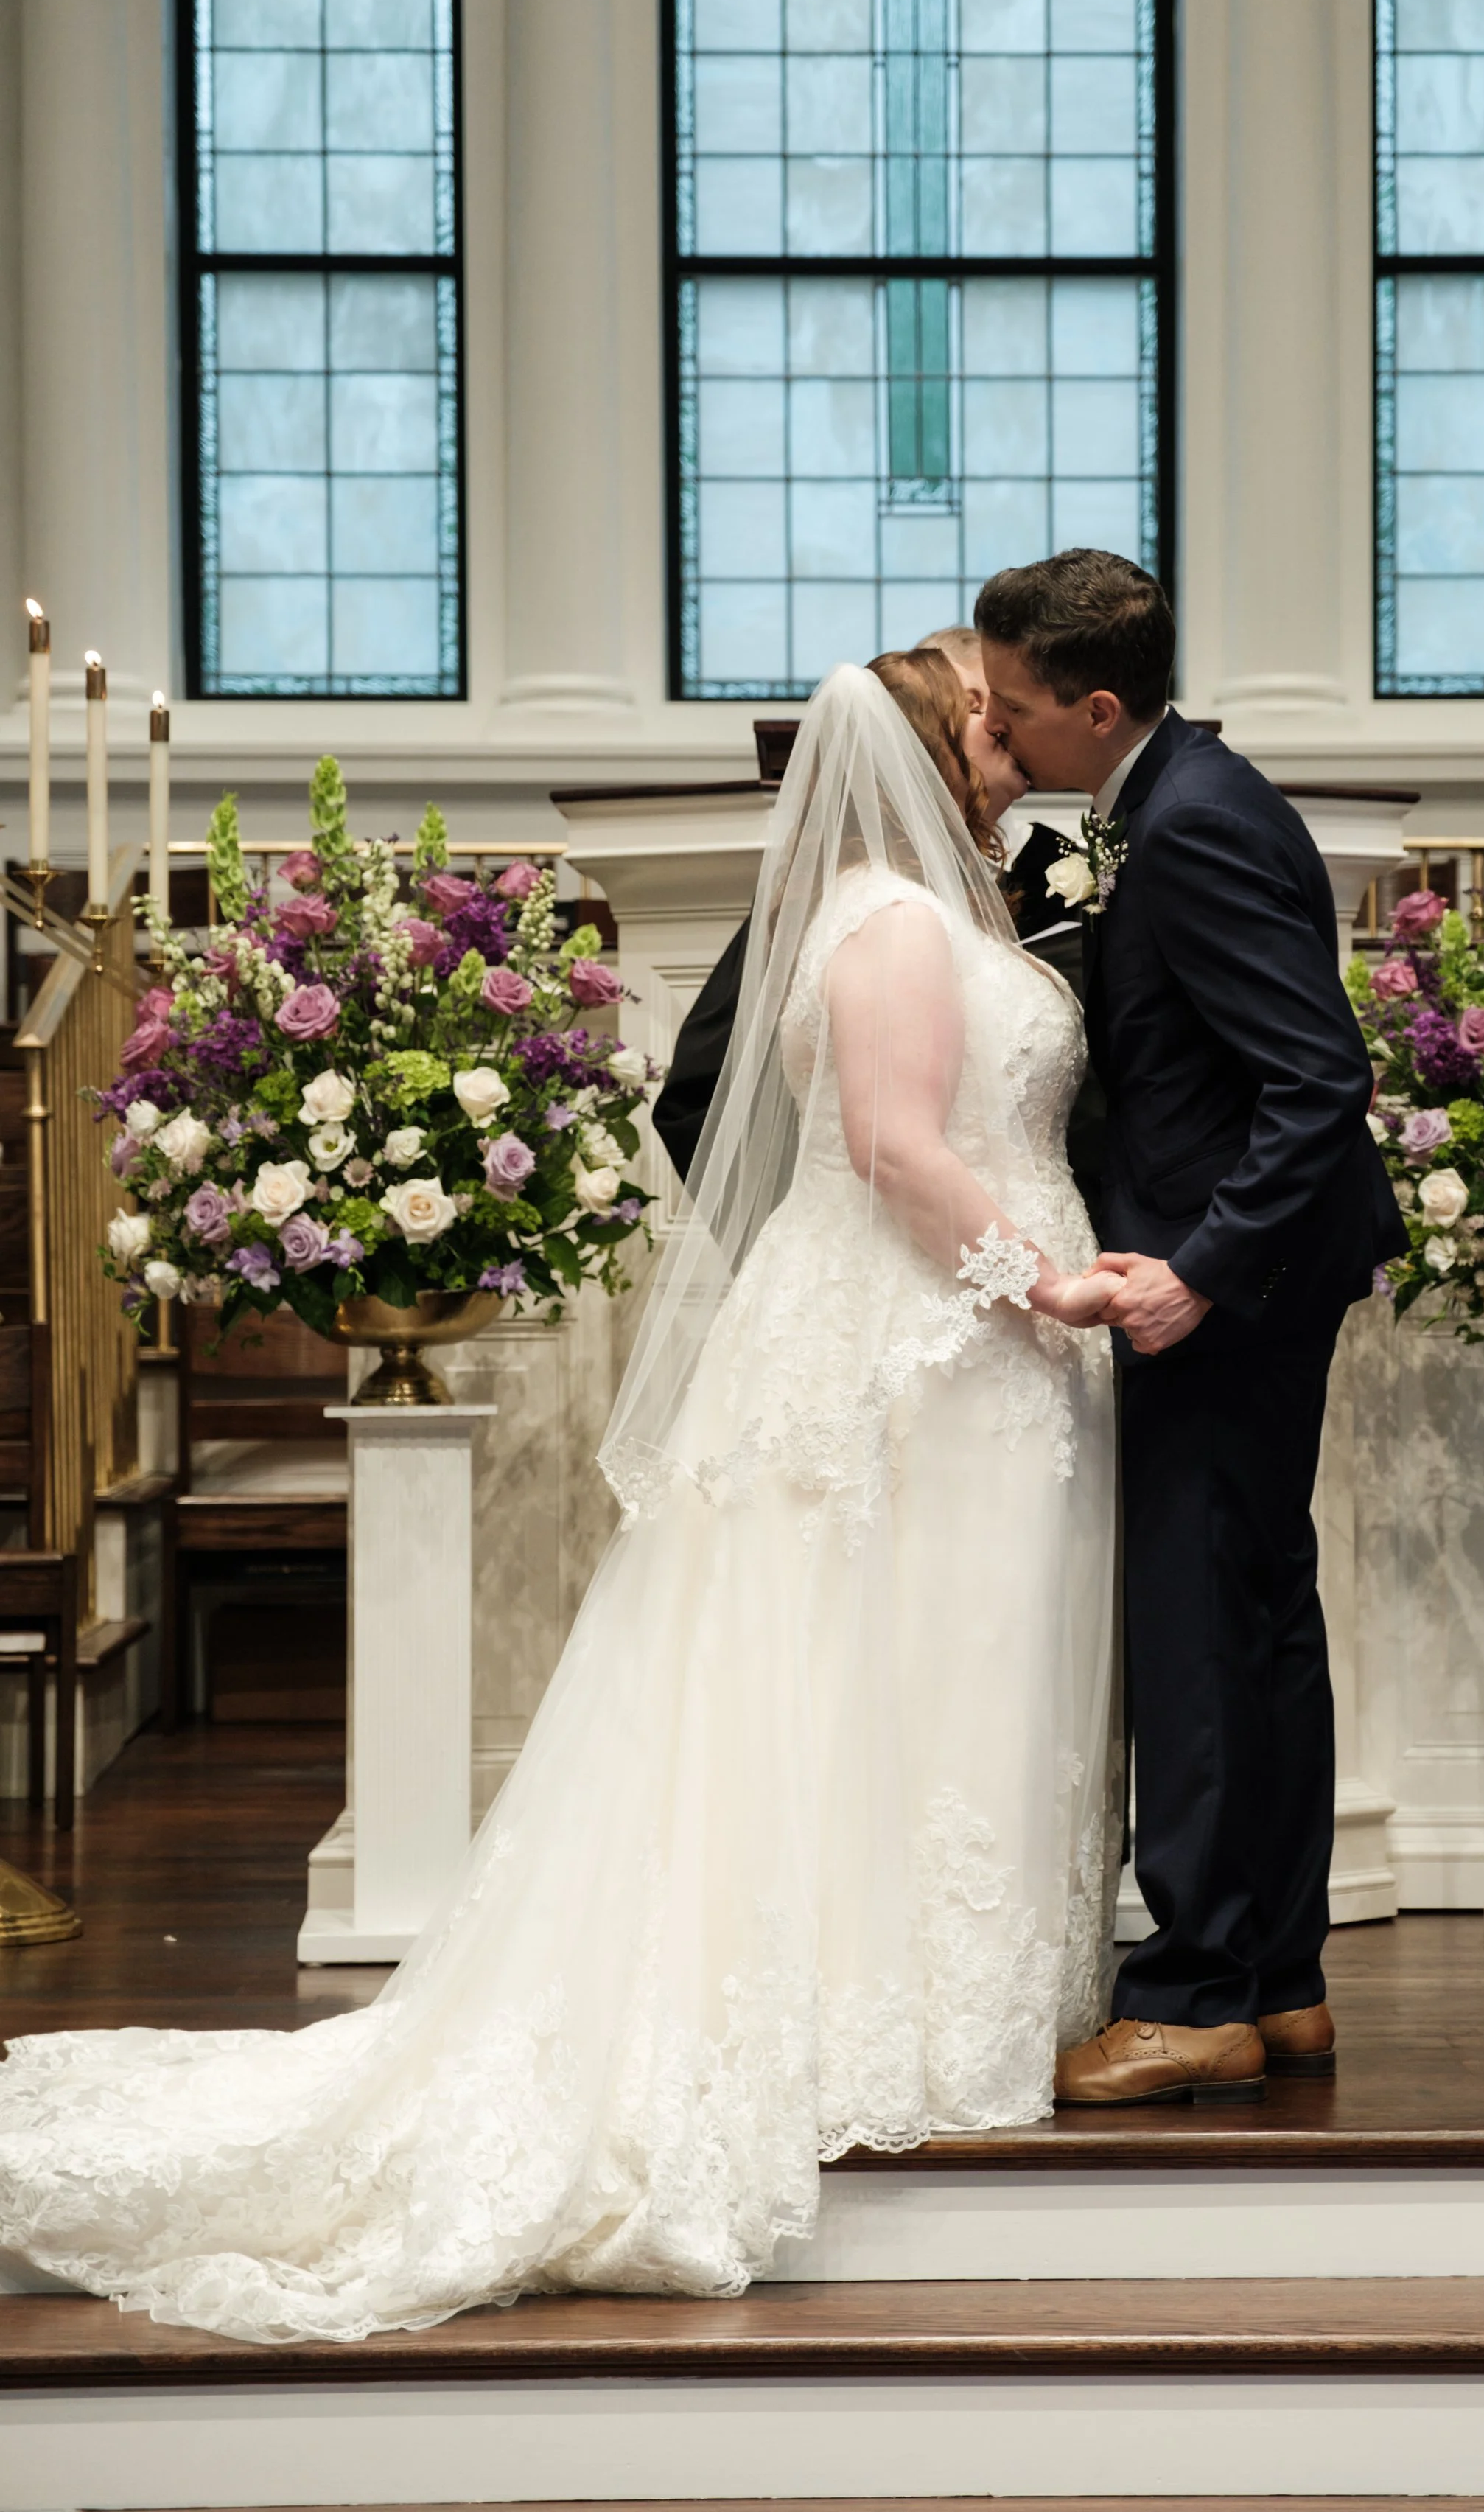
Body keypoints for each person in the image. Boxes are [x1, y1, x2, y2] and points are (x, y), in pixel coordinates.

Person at [0, 652, 1118, 2340]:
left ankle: (939, 2008)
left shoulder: (917, 909)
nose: (997, 736)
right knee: (900, 1673)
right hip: (927, 1340)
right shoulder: (890, 923)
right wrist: (1051, 1282)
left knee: (931, 1678)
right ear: (910, 744)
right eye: (973, 716)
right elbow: (891, 1142)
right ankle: (882, 2023)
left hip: (955, 1343)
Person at [978, 550, 1407, 2107]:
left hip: (1227, 1290)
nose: (1002, 735)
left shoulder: (1194, 827)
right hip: (1256, 1276)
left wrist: (1198, 1268)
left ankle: (1195, 1994)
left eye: (1018, 711)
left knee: (1199, 1638)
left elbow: (1315, 1078)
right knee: (1255, 1618)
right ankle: (1279, 1976)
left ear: (1100, 707)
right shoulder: (1167, 797)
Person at [652, 628, 1091, 1191]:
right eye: (976, 703)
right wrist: (822, 1233)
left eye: (1010, 708)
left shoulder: (1057, 869)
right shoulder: (855, 895)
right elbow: (702, 1090)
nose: (1003, 724)